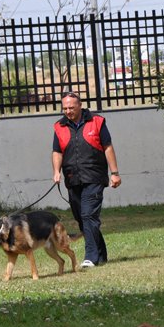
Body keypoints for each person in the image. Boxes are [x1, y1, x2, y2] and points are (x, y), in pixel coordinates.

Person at [52, 92, 121, 268]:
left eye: (71, 107)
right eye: (65, 108)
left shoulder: (97, 121)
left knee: (88, 215)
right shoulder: (59, 126)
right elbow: (57, 151)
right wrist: (56, 171)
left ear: (80, 105)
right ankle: (101, 255)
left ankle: (91, 257)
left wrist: (114, 173)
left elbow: (107, 147)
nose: (68, 111)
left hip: (94, 177)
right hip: (72, 178)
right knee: (82, 219)